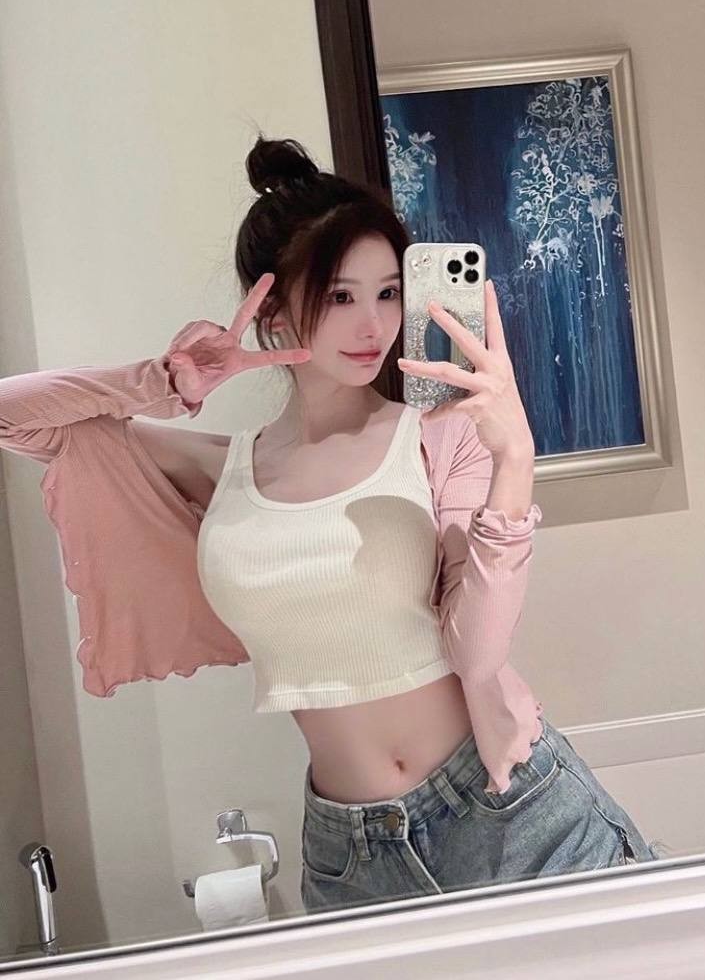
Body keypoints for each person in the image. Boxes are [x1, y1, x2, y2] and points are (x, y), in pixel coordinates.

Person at [0, 136, 656, 915]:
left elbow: (477, 651)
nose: (372, 322)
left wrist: (513, 460)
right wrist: (167, 380)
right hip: (350, 855)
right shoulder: (222, 469)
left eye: (388, 292)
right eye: (341, 295)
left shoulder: (440, 437)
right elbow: (13, 415)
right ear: (272, 308)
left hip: (509, 809)